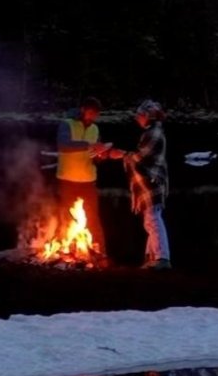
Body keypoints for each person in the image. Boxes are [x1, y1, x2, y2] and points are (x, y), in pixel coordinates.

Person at [109, 100, 170, 269]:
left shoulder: (153, 133)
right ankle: (152, 257)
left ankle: (162, 258)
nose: (137, 118)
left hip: (152, 183)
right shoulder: (152, 132)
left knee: (153, 220)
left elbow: (141, 158)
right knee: (150, 221)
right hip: (150, 184)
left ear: (148, 116)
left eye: (140, 115)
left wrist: (121, 154)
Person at [56, 97, 111, 251]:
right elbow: (64, 145)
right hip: (67, 179)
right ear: (83, 109)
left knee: (92, 218)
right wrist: (89, 145)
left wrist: (101, 155)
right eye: (91, 112)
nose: (93, 116)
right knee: (66, 217)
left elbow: (95, 155)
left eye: (96, 114)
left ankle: (100, 252)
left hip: (88, 181)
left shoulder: (95, 129)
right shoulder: (67, 124)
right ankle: (65, 251)